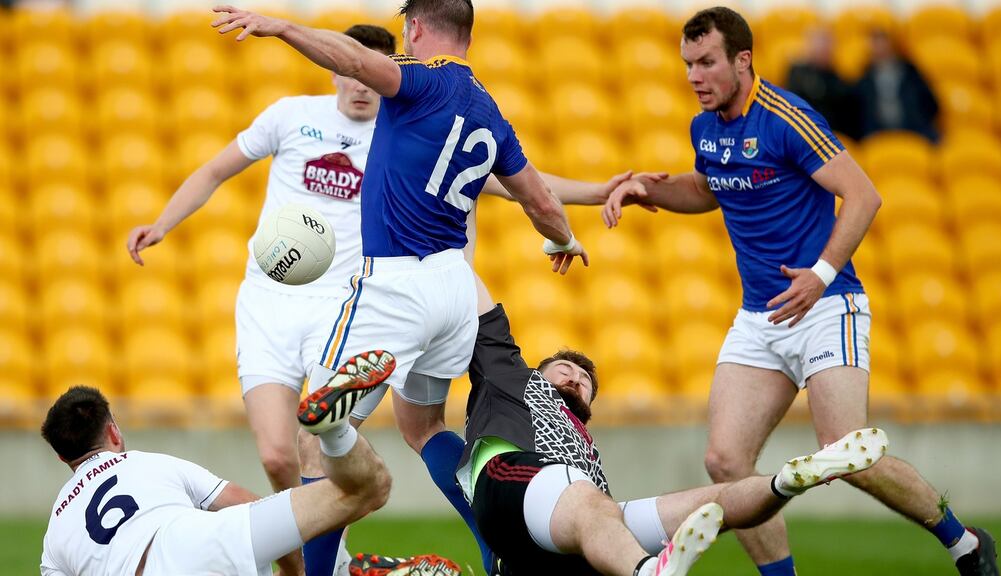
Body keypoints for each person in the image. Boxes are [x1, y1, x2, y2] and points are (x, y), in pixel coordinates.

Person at [127, 17, 627, 573]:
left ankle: (324, 563)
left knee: (316, 443)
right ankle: (496, 546)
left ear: (413, 30)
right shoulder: (479, 107)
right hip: (446, 285)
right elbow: (527, 187)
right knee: (418, 428)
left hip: (382, 290)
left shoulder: (412, 89)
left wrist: (281, 26)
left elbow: (364, 65)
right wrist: (565, 232)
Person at [601, 7, 998, 576]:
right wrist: (650, 193)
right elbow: (710, 188)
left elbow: (863, 196)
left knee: (847, 453)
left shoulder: (786, 116)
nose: (694, 75)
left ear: (743, 60)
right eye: (688, 63)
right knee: (725, 460)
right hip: (761, 318)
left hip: (825, 305)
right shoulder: (704, 127)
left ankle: (964, 543)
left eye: (707, 62)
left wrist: (821, 273)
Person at [455, 270, 887, 576]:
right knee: (591, 505)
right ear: (538, 370)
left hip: (567, 528)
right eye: (565, 369)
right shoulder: (509, 375)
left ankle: (788, 481)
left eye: (585, 381)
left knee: (713, 502)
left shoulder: (586, 445)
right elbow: (469, 284)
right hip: (512, 481)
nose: (576, 379)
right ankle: (649, 570)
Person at [39, 362, 393, 576]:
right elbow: (245, 504)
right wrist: (295, 567)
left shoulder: (55, 534)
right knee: (368, 488)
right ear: (113, 430)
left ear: (62, 458)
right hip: (199, 536)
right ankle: (334, 432)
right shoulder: (147, 463)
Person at [854, 28, 940, 142]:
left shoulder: (910, 72)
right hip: (876, 134)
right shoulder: (864, 76)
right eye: (876, 44)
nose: (880, 48)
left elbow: (931, 103)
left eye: (883, 43)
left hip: (914, 130)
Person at [785, 27, 860, 139]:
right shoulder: (797, 74)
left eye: (826, 44)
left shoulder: (838, 79)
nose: (823, 49)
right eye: (819, 44)